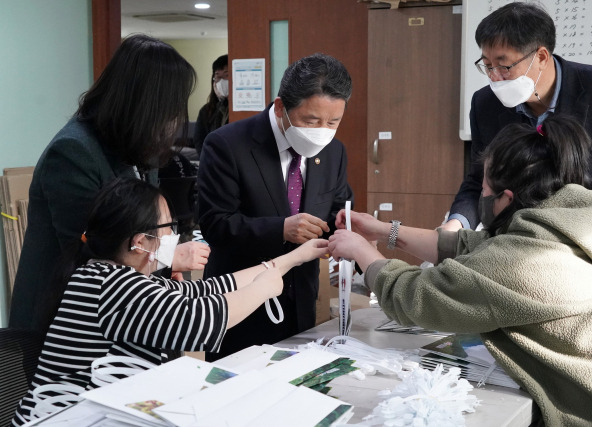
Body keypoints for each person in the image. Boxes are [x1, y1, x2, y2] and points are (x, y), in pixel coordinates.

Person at [328, 115, 592, 426]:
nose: (481, 194)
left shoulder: (524, 264)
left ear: (506, 198)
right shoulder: (572, 226)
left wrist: (360, 251)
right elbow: (470, 244)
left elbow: (414, 297)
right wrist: (384, 230)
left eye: (485, 188)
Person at [11, 178, 328, 426]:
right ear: (139, 242)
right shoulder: (110, 284)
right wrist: (261, 290)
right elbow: (198, 321)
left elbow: (210, 290)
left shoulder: (116, 277)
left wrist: (293, 258)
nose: (175, 237)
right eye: (168, 228)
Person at [10, 34, 211, 335]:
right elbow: (92, 255)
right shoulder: (73, 152)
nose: (173, 119)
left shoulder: (138, 145)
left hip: (123, 310)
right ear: (145, 103)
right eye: (169, 107)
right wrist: (167, 258)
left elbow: (149, 224)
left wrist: (164, 266)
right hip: (66, 320)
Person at [442, 2, 592, 277]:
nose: (495, 78)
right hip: (520, 262)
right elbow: (478, 180)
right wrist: (456, 223)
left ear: (542, 57)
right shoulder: (485, 104)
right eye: (487, 66)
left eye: (504, 66)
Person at [198, 53, 354, 359]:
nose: (322, 130)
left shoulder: (333, 151)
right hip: (241, 303)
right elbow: (215, 223)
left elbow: (338, 206)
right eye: (311, 120)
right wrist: (281, 229)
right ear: (281, 107)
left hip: (301, 301)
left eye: (333, 121)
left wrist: (347, 226)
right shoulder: (227, 144)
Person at [193, 54, 229, 156]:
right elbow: (199, 139)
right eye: (218, 77)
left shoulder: (241, 109)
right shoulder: (206, 110)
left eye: (226, 76)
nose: (222, 81)